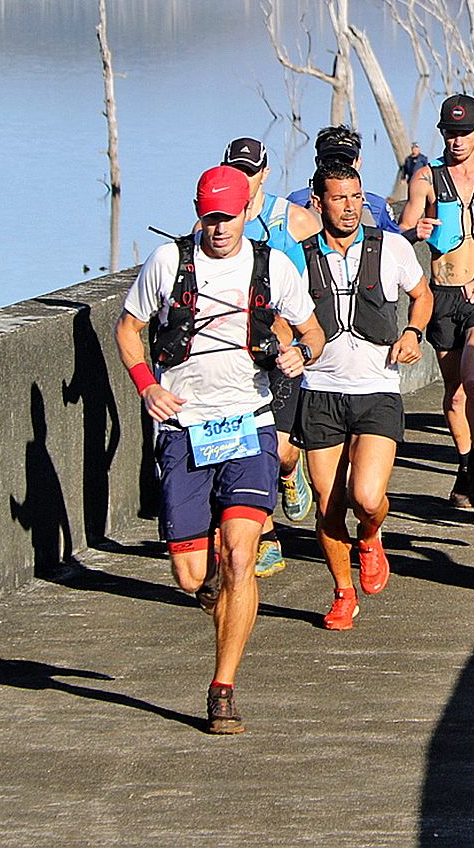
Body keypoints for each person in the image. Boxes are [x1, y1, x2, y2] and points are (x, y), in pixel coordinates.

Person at [115, 166, 322, 734]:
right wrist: (147, 385)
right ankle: (209, 584)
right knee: (190, 575)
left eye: (229, 216)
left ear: (246, 212)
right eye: (210, 216)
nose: (220, 227)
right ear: (198, 211)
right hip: (185, 426)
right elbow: (128, 329)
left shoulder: (271, 265)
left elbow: (312, 332)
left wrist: (299, 354)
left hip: (249, 424)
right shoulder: (167, 263)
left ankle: (223, 687)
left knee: (239, 555)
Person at [297, 161, 433, 630]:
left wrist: (413, 332)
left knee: (367, 497)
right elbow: (279, 312)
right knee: (327, 501)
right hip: (320, 391)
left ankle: (371, 537)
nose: (351, 208)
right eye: (340, 198)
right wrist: (289, 346)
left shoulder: (391, 246)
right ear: (318, 203)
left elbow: (423, 294)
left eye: (357, 197)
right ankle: (342, 591)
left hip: (377, 386)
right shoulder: (298, 256)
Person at [221, 137, 320, 579]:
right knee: (249, 448)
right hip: (238, 352)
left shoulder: (295, 220)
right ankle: (267, 538)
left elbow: (318, 282)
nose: (243, 177)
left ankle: (290, 470)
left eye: (250, 169)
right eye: (235, 168)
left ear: (265, 172)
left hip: (282, 348)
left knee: (279, 451)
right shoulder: (217, 219)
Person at [399, 96, 474, 509]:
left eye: (465, 132)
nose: (458, 140)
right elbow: (399, 236)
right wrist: (416, 232)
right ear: (442, 133)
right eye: (451, 132)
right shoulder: (425, 178)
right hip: (443, 294)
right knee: (455, 392)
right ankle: (466, 464)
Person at [285, 126, 405, 235]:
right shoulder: (297, 202)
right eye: (330, 160)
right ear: (317, 162)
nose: (338, 167)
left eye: (345, 161)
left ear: (358, 162)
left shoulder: (377, 205)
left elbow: (396, 243)